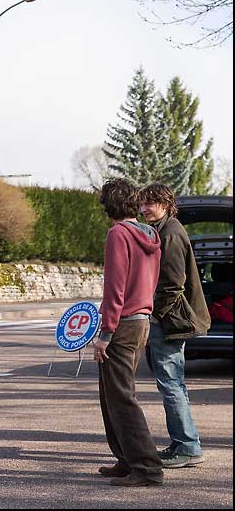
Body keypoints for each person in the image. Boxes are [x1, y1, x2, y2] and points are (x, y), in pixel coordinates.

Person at [93, 178, 164, 487]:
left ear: (109, 205)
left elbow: (115, 288)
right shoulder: (149, 234)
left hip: (122, 324)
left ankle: (147, 467)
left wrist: (105, 334)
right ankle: (126, 458)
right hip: (142, 320)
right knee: (113, 393)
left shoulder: (118, 235)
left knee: (121, 397)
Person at [139, 183, 210, 468]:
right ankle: (183, 442)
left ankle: (188, 447)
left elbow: (172, 286)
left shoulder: (170, 233)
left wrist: (152, 315)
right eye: (142, 204)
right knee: (173, 383)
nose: (144, 209)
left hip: (169, 321)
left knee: (170, 384)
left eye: (150, 203)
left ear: (166, 203)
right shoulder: (166, 229)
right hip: (169, 319)